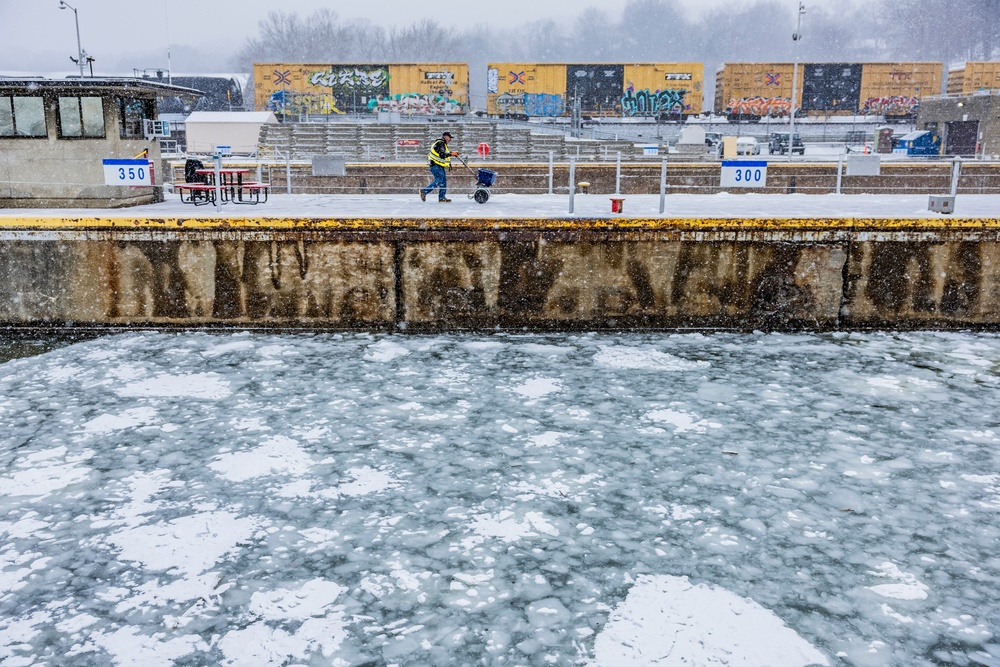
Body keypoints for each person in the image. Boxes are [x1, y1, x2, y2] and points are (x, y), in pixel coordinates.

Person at [420, 131, 459, 202]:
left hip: (439, 166)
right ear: (445, 137)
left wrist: (452, 153)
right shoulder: (440, 143)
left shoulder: (442, 144)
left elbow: (443, 153)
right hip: (436, 166)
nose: (450, 140)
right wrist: (451, 154)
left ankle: (442, 197)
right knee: (439, 181)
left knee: (443, 181)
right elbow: (442, 154)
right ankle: (424, 191)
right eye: (450, 138)